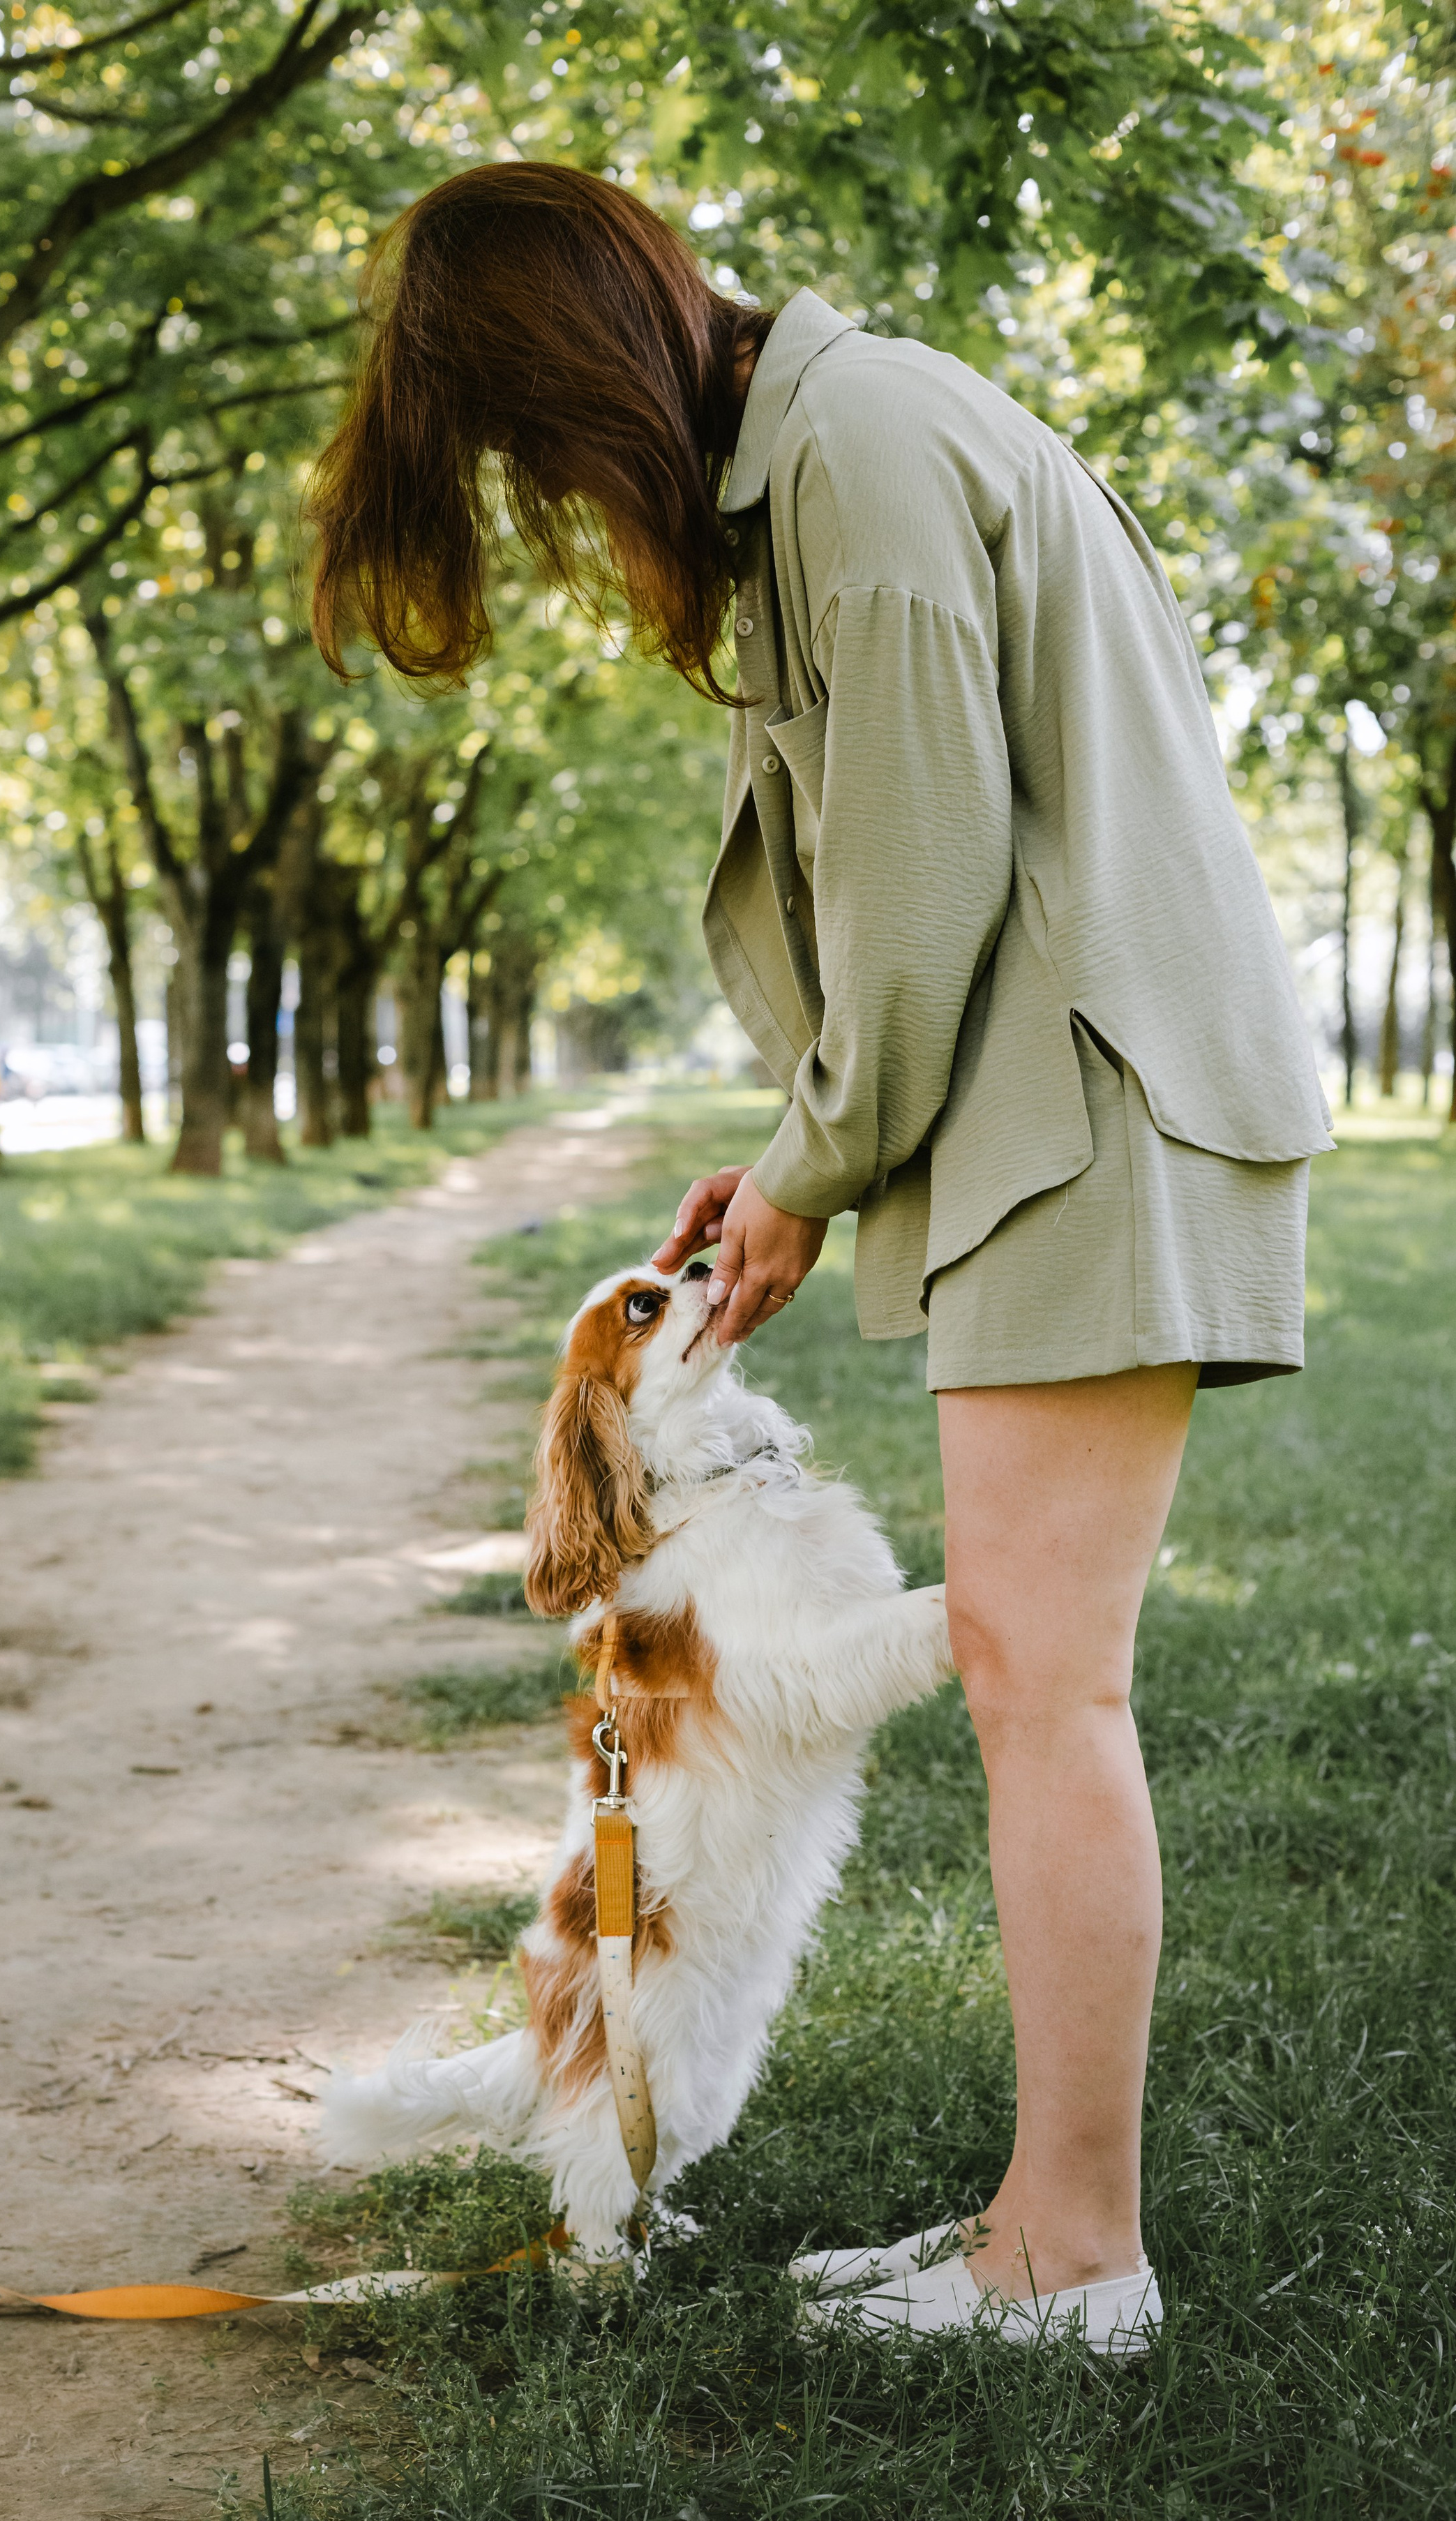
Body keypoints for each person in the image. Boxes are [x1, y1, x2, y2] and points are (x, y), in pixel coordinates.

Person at [308, 165, 1331, 2353]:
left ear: (584, 381)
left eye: (540, 464)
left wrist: (804, 1169)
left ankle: (1075, 2263)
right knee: (1027, 1678)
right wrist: (800, 1156)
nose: (572, 516)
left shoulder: (854, 461)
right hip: (1069, 1100)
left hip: (1094, 1105)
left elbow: (923, 881)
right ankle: (1042, 2229)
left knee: (1042, 1684)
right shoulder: (835, 450)